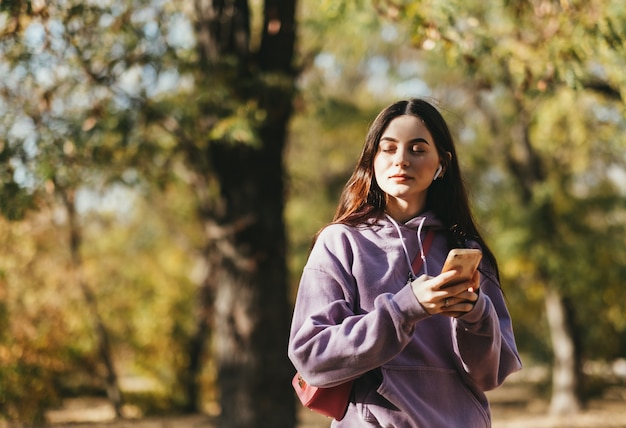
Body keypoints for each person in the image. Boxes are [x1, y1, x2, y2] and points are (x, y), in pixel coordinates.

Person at [288, 98, 522, 427]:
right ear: (372, 159)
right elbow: (312, 356)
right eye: (388, 148)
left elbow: (488, 376)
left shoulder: (465, 249)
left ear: (442, 163)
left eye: (417, 149)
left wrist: (474, 313)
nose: (401, 160)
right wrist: (405, 309)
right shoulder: (342, 241)